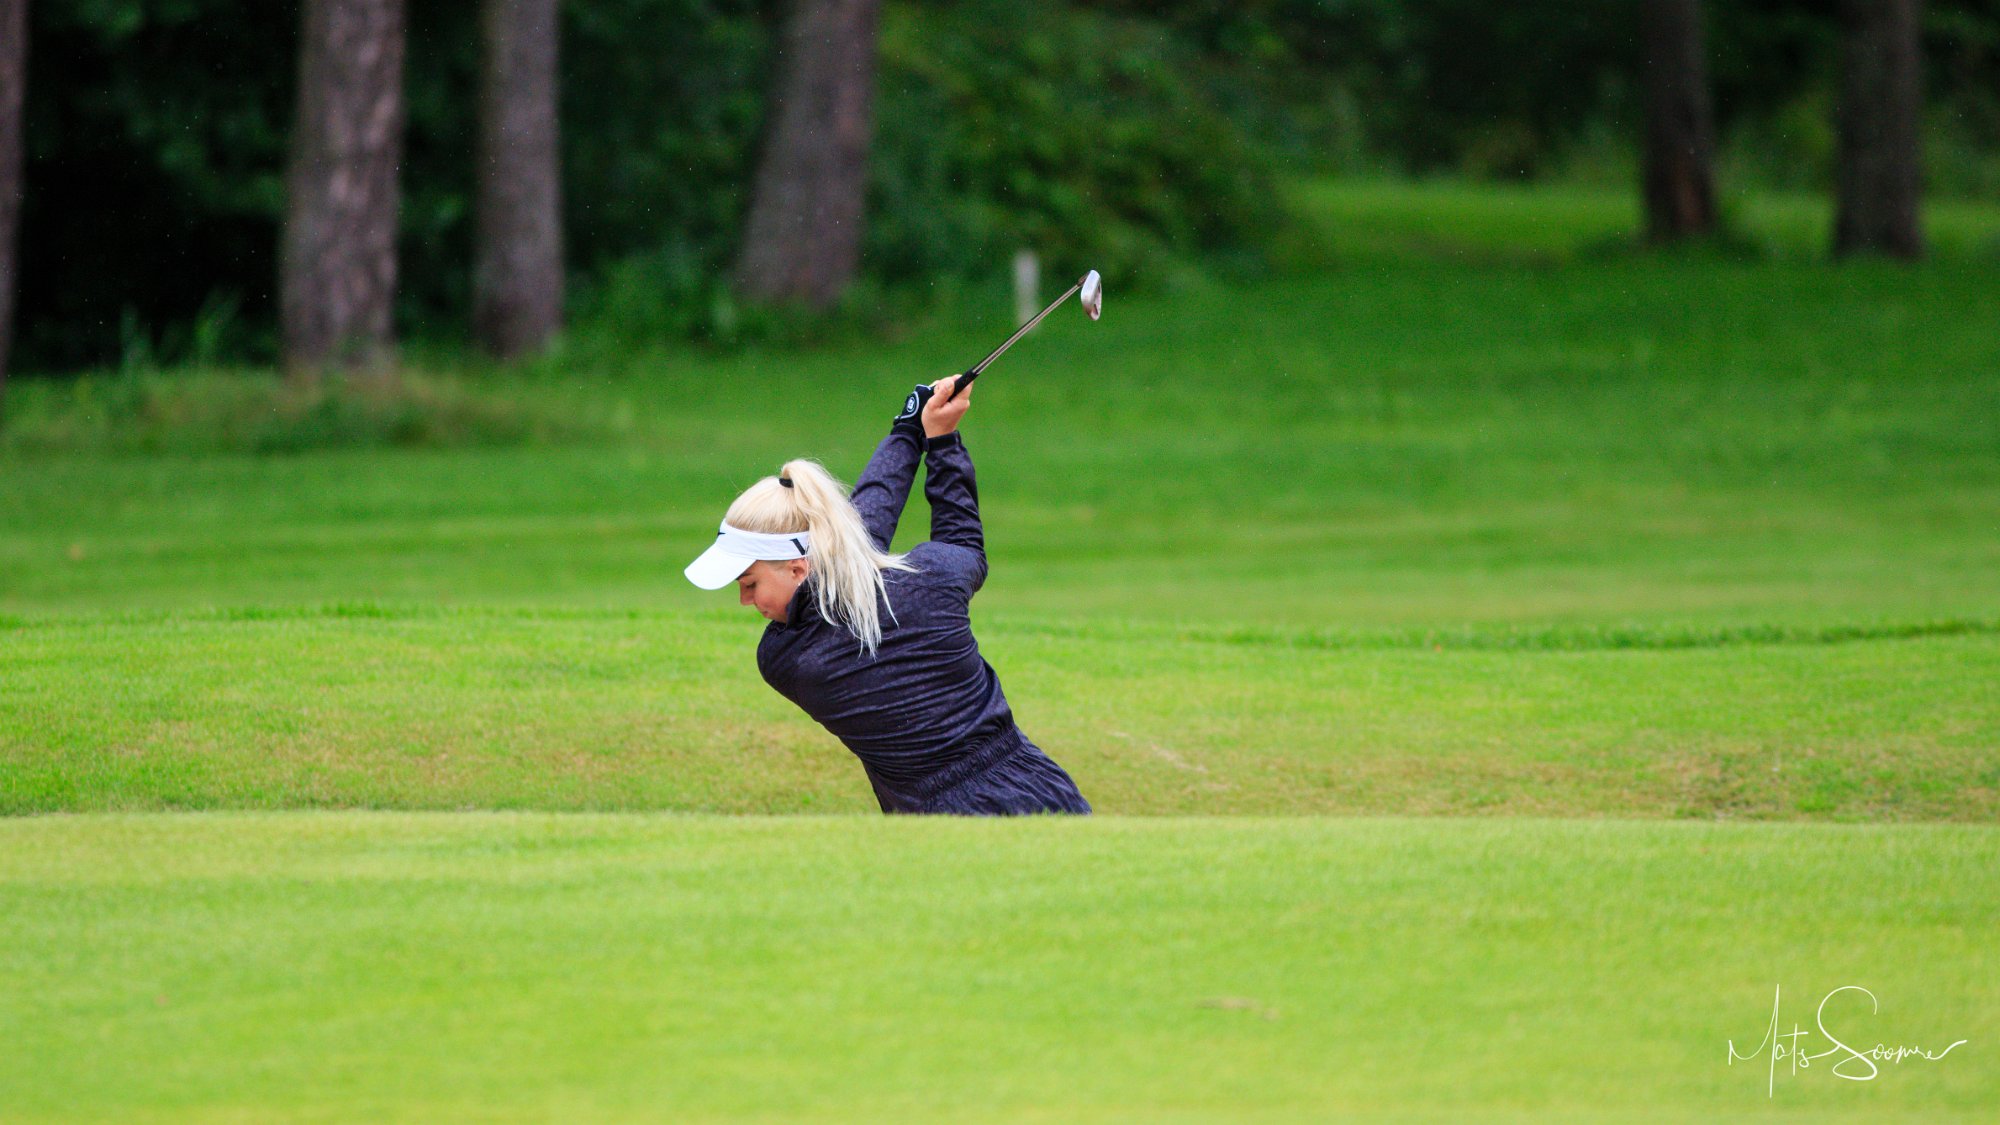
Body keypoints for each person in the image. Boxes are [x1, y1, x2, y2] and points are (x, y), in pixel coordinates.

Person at [684, 374, 1092, 816]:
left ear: (799, 568)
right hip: (1043, 792)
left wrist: (911, 432)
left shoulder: (788, 658)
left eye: (749, 584)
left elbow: (858, 539)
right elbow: (954, 543)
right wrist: (936, 439)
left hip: (935, 820)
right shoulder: (931, 584)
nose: (746, 602)